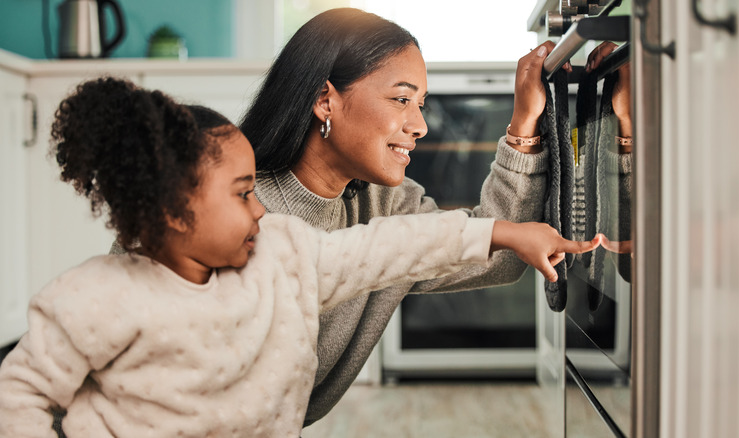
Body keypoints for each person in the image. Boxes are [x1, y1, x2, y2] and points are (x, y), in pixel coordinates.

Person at [0, 77, 599, 437]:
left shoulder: (283, 255)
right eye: (241, 195)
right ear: (172, 212)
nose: (259, 207)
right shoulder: (94, 296)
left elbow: (388, 246)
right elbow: (20, 393)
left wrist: (499, 232)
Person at [235, 7, 573, 426]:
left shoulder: (383, 205)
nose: (420, 125)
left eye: (421, 104)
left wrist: (524, 122)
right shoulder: (232, 211)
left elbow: (499, 252)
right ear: (325, 100)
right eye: (401, 99)